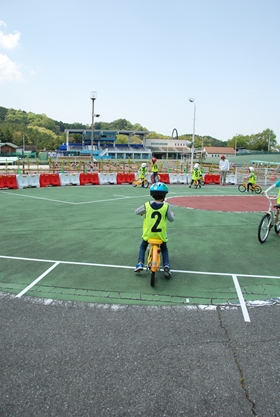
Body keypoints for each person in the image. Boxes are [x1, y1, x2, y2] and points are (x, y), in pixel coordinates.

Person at [134, 182, 175, 278]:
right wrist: (172, 214)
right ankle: (166, 265)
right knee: (164, 248)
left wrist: (144, 212)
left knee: (143, 246)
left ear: (152, 194)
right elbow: (171, 219)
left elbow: (136, 212)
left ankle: (140, 263)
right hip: (160, 235)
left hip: (148, 234)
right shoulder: (166, 206)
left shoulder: (147, 205)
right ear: (164, 195)